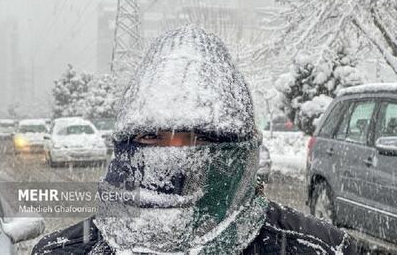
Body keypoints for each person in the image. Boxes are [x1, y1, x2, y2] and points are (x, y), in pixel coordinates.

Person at [32, 26, 357, 254]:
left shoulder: (319, 248)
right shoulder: (63, 251)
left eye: (199, 138)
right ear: (125, 145)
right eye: (151, 137)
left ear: (240, 147)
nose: (175, 156)